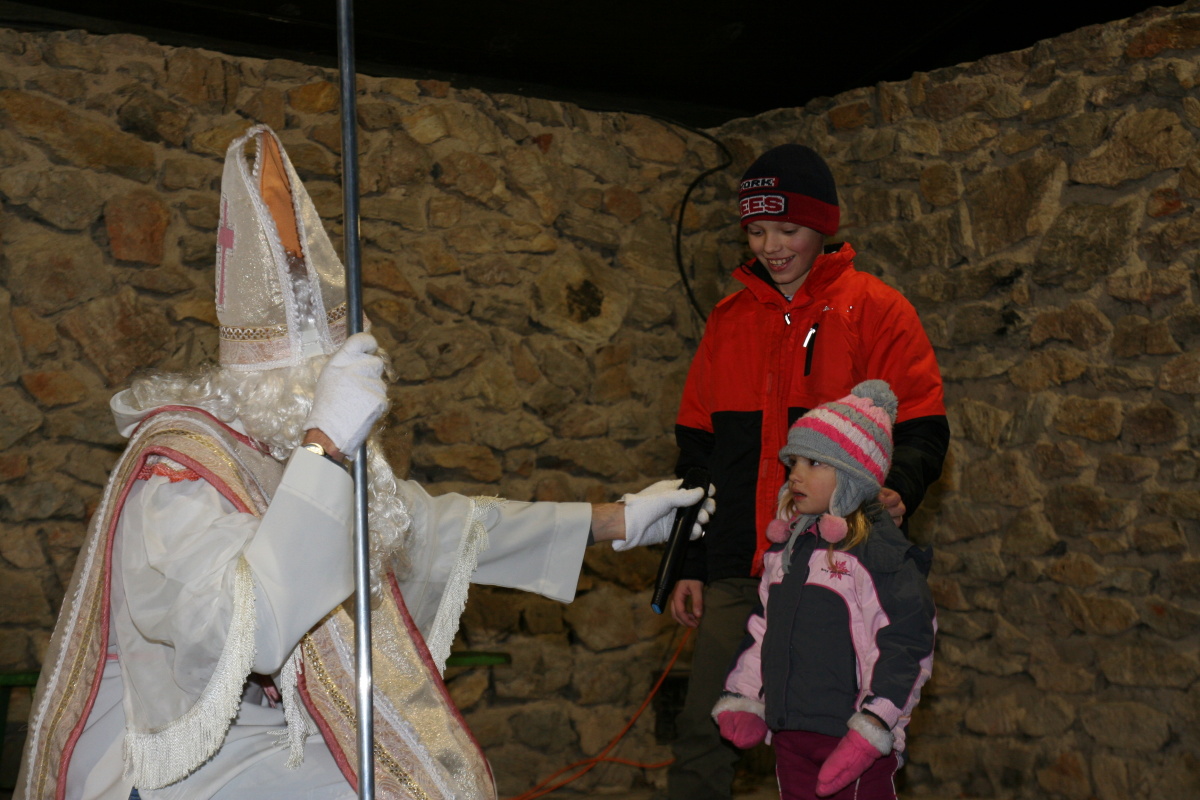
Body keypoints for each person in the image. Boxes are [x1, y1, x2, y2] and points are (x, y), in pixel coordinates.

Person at [14, 125, 711, 800]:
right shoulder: (179, 472)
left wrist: (619, 521)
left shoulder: (279, 446)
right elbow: (246, 634)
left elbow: (440, 528)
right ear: (293, 389)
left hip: (267, 736)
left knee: (430, 777)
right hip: (170, 755)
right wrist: (323, 443)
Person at [667, 144, 948, 799]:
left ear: (823, 226)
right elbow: (697, 453)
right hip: (740, 566)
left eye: (788, 229)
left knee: (833, 742)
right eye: (756, 231)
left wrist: (899, 490)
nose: (771, 246)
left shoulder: (877, 310)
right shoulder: (727, 321)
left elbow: (923, 427)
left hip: (841, 569)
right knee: (704, 731)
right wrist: (690, 560)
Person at [713, 381, 936, 800]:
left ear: (852, 478)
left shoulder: (880, 556)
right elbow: (764, 631)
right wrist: (745, 696)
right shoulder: (788, 551)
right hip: (791, 730)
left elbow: (907, 645)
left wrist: (873, 725)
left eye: (814, 462)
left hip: (852, 737)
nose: (796, 474)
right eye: (793, 461)